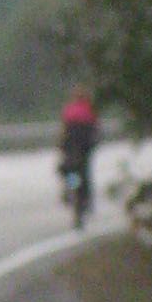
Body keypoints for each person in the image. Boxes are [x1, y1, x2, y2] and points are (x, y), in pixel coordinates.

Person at [59, 88, 100, 216]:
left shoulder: (69, 109)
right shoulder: (90, 109)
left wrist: (62, 145)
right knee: (84, 173)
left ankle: (70, 189)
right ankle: (85, 199)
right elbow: (95, 130)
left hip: (71, 146)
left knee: (71, 169)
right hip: (84, 146)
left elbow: (64, 130)